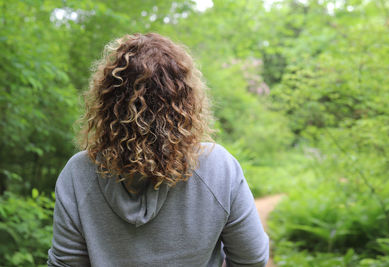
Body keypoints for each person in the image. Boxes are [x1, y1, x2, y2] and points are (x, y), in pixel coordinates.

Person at [47, 33, 269, 267]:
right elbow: (252, 259)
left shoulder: (79, 174)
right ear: (186, 101)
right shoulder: (218, 168)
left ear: (108, 102)